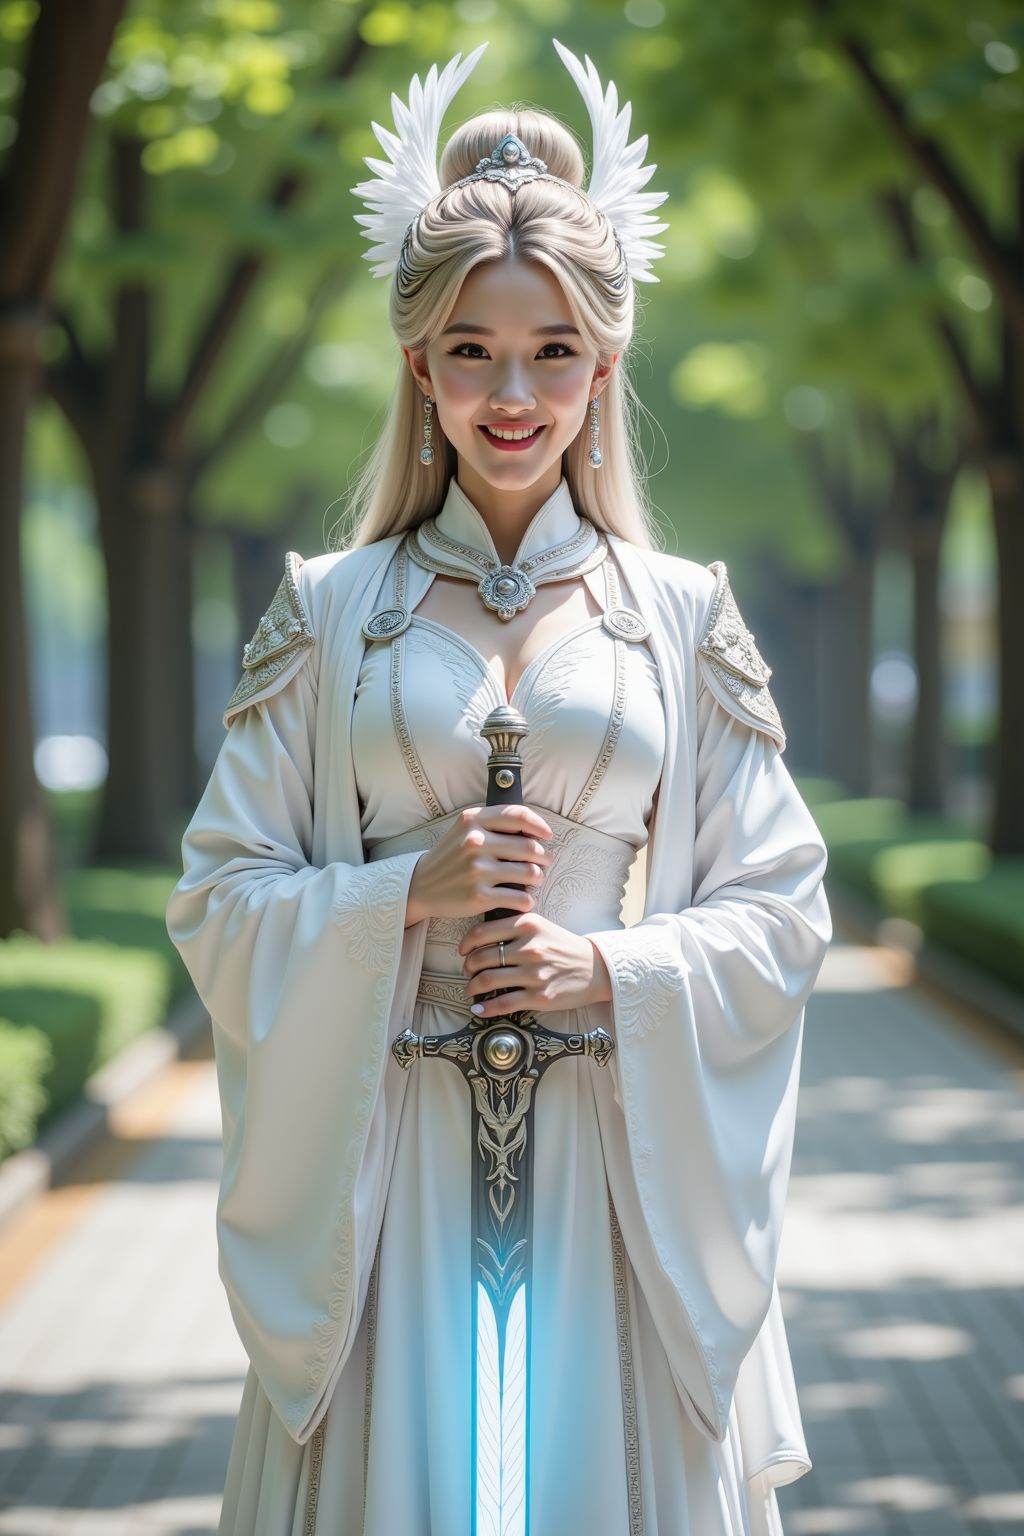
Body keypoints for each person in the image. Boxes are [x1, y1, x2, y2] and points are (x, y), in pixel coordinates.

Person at [165, 38, 832, 1536]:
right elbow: (217, 898)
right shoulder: (326, 613)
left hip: (619, 1183)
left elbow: (784, 912)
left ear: (605, 365)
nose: (512, 392)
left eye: (551, 352)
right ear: (420, 366)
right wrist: (409, 895)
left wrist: (607, 966)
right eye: (471, 349)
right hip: (389, 1191)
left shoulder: (682, 617)